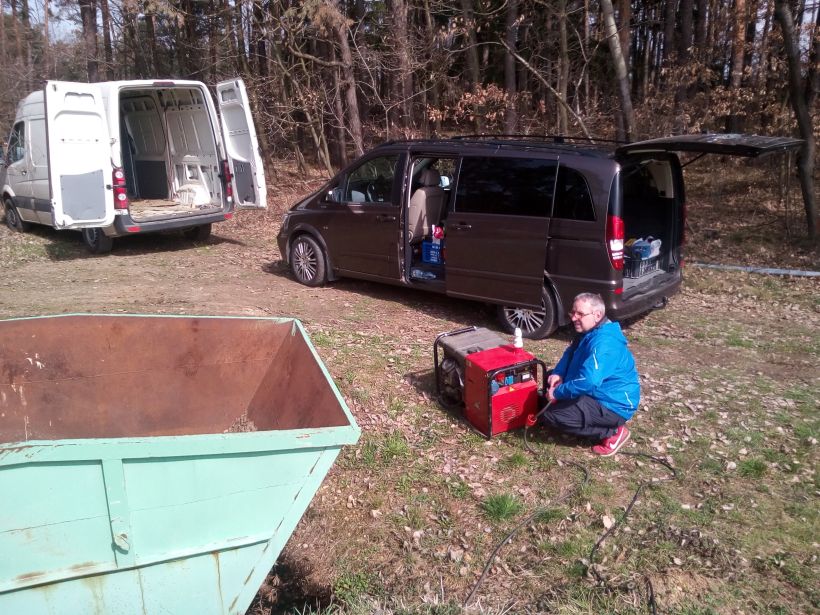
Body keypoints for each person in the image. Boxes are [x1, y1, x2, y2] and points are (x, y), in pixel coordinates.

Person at [542, 292, 640, 456]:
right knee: (550, 378)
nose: (574, 318)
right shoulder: (590, 330)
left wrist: (558, 393)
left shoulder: (605, 343)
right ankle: (564, 404)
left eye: (580, 314)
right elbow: (571, 352)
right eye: (573, 312)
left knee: (552, 416)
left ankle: (613, 432)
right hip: (596, 391)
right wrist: (559, 373)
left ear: (597, 315)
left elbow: (589, 381)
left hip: (612, 404)